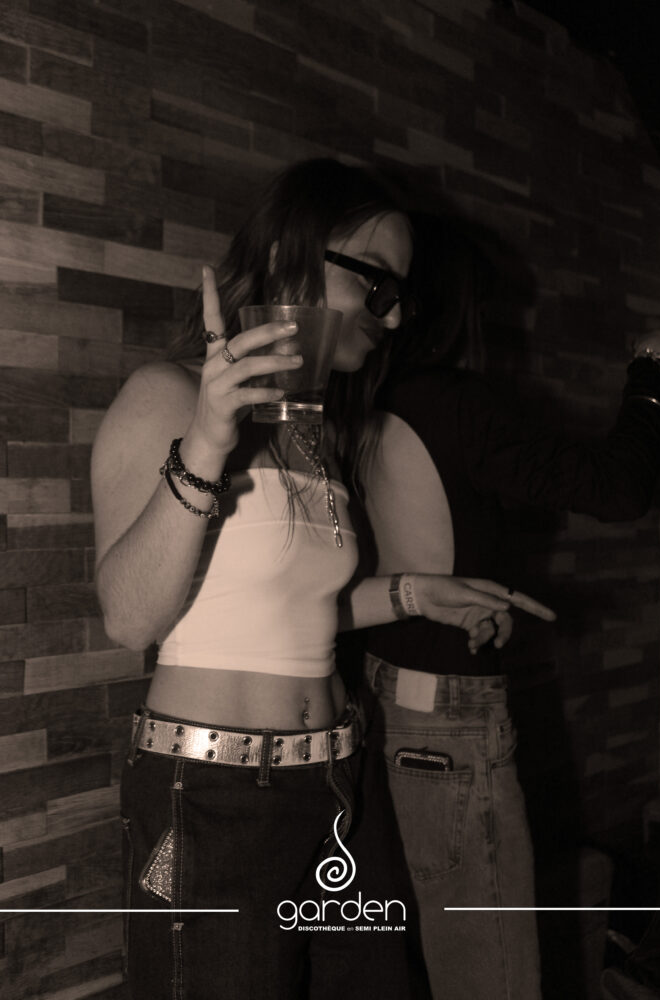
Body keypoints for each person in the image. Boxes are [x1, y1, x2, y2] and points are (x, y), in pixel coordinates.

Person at [91, 161, 553, 1000]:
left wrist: (416, 592)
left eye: (401, 295)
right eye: (378, 285)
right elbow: (129, 617)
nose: (394, 314)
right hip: (217, 794)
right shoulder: (164, 395)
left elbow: (286, 611)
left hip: (340, 779)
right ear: (288, 256)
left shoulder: (311, 431)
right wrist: (205, 444)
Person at [359, 212, 660, 1000]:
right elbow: (617, 489)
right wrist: (656, 364)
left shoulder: (364, 397)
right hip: (445, 722)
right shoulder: (453, 402)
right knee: (491, 977)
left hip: (380, 698)